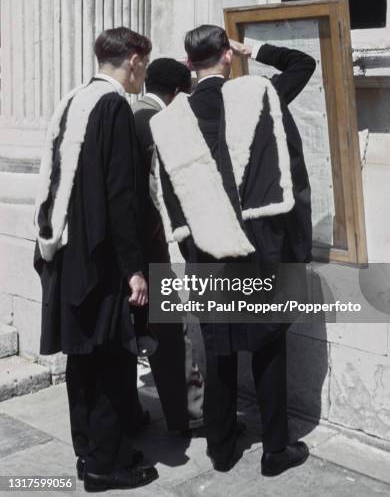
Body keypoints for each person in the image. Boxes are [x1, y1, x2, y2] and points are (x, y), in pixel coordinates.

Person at [150, 25, 316, 476]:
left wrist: (191, 251)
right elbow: (304, 65)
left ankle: (221, 450)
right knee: (268, 347)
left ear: (188, 64)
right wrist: (254, 48)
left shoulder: (168, 121)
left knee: (219, 348)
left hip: (206, 250)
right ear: (226, 55)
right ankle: (275, 451)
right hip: (261, 247)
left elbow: (169, 196)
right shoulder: (258, 94)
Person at [34, 27, 158, 492]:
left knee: (82, 359)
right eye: (143, 62)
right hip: (102, 257)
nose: (143, 72)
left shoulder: (73, 100)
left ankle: (89, 452)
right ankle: (107, 467)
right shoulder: (114, 108)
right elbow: (123, 196)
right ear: (132, 60)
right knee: (110, 360)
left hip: (68, 252)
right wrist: (134, 269)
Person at [132, 58, 204, 434]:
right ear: (177, 94)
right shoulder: (156, 123)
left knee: (133, 331)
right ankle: (188, 414)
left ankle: (131, 411)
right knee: (170, 329)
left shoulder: (131, 111)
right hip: (149, 243)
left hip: (126, 246)